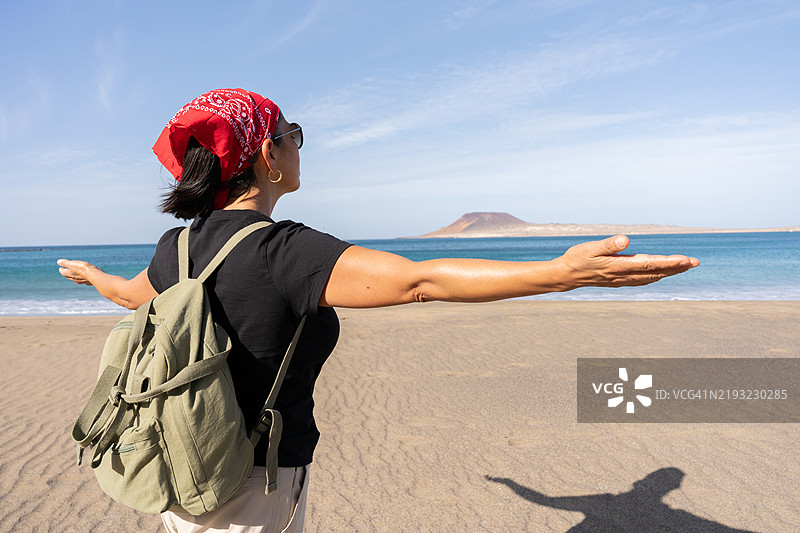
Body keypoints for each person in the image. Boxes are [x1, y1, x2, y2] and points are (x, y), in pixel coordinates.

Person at [57, 88, 699, 533]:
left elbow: (134, 296)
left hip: (178, 462)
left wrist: (92, 276)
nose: (298, 148)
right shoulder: (285, 252)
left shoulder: (179, 247)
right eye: (292, 135)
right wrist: (562, 274)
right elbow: (419, 281)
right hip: (249, 482)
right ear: (264, 155)